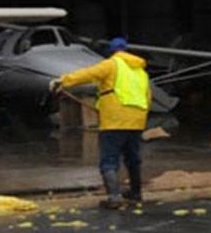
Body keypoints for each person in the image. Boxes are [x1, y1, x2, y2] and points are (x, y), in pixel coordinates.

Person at [49, 37, 151, 209]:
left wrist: (62, 81)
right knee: (133, 158)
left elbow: (88, 74)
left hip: (115, 121)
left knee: (109, 159)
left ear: (111, 52)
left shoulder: (112, 64)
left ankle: (114, 197)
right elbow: (147, 97)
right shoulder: (141, 71)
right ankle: (135, 193)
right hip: (137, 120)